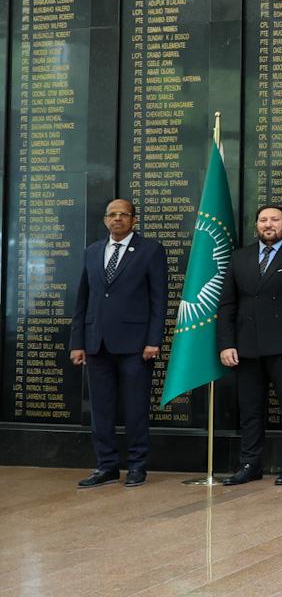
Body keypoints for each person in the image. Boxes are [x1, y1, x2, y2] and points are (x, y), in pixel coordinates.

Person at [69, 197, 167, 487]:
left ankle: (137, 466)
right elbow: (82, 299)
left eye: (124, 214)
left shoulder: (150, 250)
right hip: (96, 342)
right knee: (101, 410)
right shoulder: (93, 251)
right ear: (105, 220)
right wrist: (78, 342)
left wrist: (154, 340)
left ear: (134, 220)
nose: (117, 219)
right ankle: (106, 465)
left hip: (136, 345)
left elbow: (158, 300)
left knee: (135, 407)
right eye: (112, 214)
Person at [219, 203, 282, 486]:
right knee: (250, 409)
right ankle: (250, 464)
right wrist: (226, 344)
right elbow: (227, 304)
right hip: (246, 347)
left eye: (275, 219)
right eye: (263, 220)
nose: (268, 224)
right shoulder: (240, 257)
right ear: (256, 225)